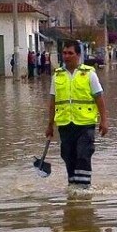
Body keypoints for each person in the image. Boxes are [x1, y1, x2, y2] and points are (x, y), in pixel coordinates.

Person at [45, 40, 109, 189]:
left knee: (83, 154)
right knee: (68, 156)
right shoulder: (57, 76)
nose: (67, 56)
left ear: (78, 55)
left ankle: (84, 190)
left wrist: (104, 121)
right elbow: (53, 102)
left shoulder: (89, 74)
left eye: (70, 53)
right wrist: (49, 126)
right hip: (65, 124)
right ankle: (73, 188)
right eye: (64, 53)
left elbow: (99, 98)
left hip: (85, 124)